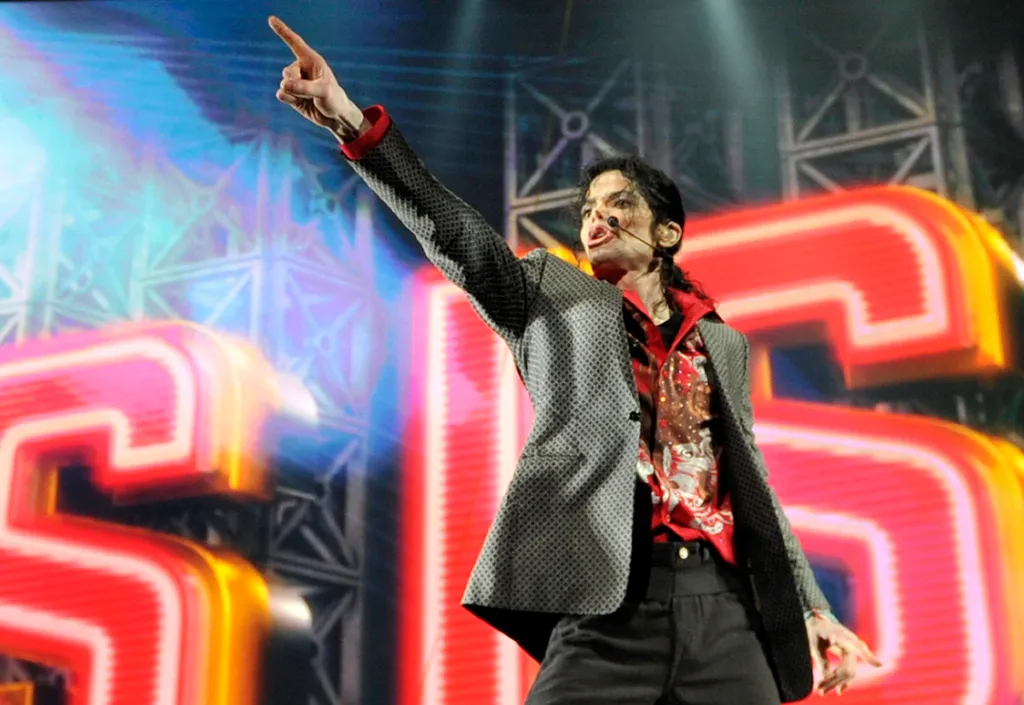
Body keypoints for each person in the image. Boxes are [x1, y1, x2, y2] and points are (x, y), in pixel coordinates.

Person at [268, 15, 881, 704]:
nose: (596, 217)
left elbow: (750, 484)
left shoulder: (722, 343)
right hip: (607, 605)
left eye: (619, 204)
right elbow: (454, 231)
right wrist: (351, 122)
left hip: (724, 608)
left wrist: (811, 607)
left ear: (667, 232)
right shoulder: (547, 295)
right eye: (589, 207)